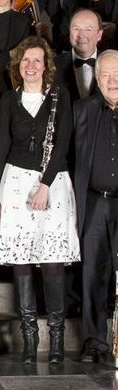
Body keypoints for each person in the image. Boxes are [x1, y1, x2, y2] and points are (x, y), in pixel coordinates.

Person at [0, 36, 78, 363]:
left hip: (51, 184)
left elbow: (63, 142)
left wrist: (45, 184)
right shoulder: (8, 100)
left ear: (46, 65)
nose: (31, 66)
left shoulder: (60, 96)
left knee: (52, 262)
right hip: (14, 183)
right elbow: (0, 148)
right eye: (25, 60)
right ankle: (29, 339)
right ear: (18, 65)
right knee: (22, 263)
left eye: (37, 60)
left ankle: (55, 338)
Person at [73, 51, 118, 363]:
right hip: (93, 203)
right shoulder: (82, 110)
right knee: (92, 273)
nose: (112, 81)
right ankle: (95, 343)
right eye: (106, 75)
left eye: (117, 74)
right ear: (97, 79)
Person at [56, 9, 103, 100]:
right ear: (69, 32)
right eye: (76, 28)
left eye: (88, 29)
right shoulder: (53, 64)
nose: (81, 35)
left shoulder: (115, 64)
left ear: (99, 35)